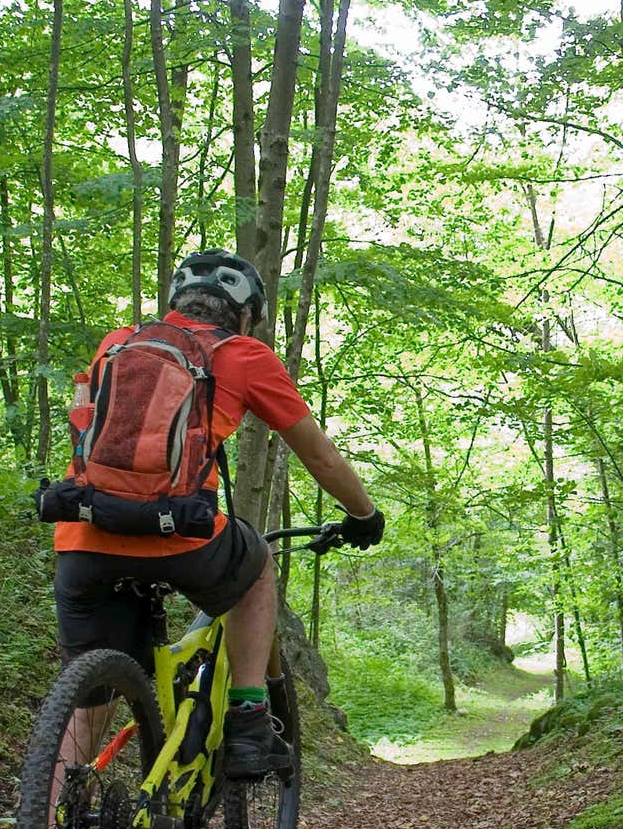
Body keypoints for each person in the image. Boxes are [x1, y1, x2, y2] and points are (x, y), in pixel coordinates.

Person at [52, 250, 383, 783]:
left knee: (88, 703)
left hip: (84, 534)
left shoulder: (116, 345)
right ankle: (249, 717)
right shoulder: (244, 356)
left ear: (175, 302)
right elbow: (318, 454)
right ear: (246, 314)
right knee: (255, 568)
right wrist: (363, 514)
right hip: (179, 536)